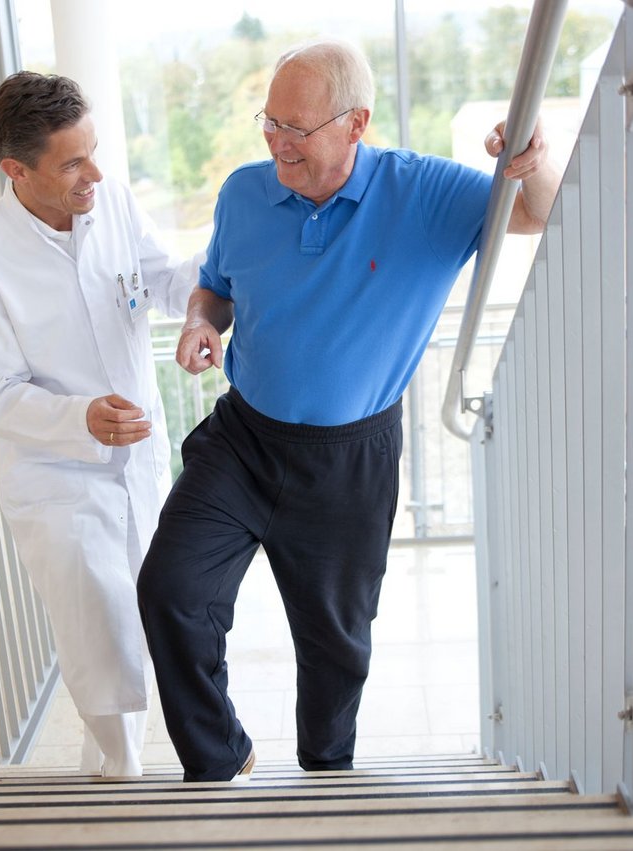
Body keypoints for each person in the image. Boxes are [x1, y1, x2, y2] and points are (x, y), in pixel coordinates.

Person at [137, 40, 561, 782]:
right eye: (269, 121)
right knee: (170, 588)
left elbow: (538, 214)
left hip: (348, 461)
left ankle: (326, 778)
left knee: (334, 646)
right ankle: (218, 758)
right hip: (243, 438)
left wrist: (532, 160)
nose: (276, 141)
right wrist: (202, 321)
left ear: (356, 123)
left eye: (295, 128)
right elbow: (214, 286)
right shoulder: (243, 192)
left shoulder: (423, 193)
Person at [0, 71, 201, 777]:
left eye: (95, 151)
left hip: (138, 465)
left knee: (159, 613)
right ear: (16, 170)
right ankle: (120, 779)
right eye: (72, 162)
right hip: (56, 478)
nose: (95, 173)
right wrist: (80, 417)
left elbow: (165, 278)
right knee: (98, 636)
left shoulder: (110, 199)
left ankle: (129, 766)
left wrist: (211, 297)